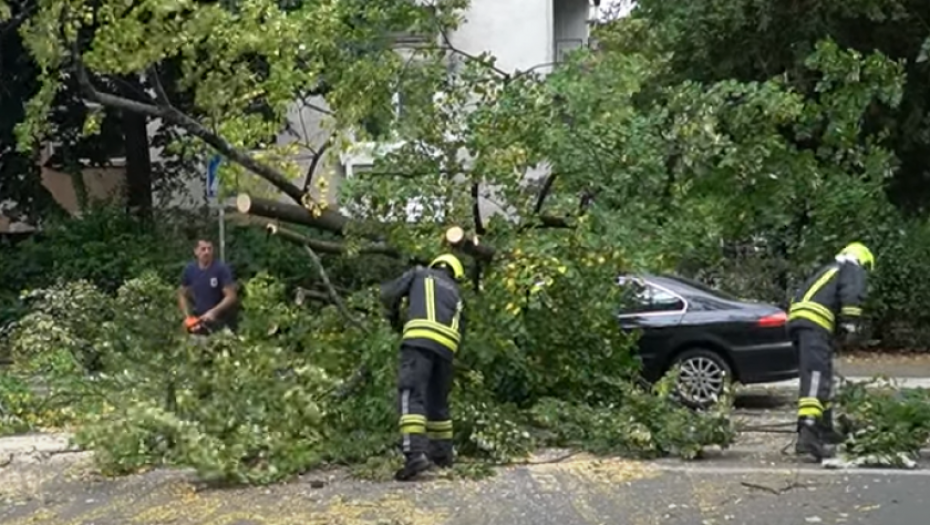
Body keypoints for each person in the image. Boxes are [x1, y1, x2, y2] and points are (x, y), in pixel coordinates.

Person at [380, 253, 467, 481]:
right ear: (455, 272)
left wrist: (393, 314)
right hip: (447, 349)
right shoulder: (456, 293)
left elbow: (389, 294)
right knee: (437, 401)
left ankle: (415, 454)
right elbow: (462, 328)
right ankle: (442, 454)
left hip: (419, 342)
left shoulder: (420, 273)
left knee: (411, 394)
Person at [788, 242, 874, 461]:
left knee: (820, 374)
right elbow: (852, 294)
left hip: (802, 323)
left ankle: (824, 429)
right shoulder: (851, 267)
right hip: (814, 323)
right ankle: (807, 436)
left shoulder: (828, 270)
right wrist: (850, 324)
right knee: (816, 376)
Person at [177, 238, 238, 335]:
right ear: (196, 251)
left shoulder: (221, 269)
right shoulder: (190, 270)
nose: (207, 252)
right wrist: (187, 316)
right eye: (203, 249)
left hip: (221, 322)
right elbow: (182, 293)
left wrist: (214, 312)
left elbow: (231, 296)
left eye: (209, 249)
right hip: (199, 322)